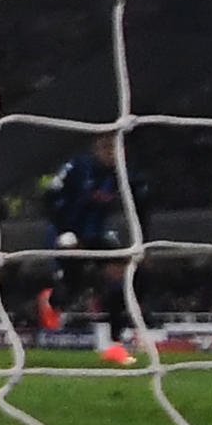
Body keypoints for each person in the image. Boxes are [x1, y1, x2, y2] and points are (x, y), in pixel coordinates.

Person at [39, 130, 135, 361]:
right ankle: (51, 299)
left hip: (96, 234)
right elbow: (49, 198)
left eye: (115, 148)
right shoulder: (76, 167)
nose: (112, 153)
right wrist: (65, 231)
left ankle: (116, 342)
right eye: (107, 148)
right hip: (67, 231)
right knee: (72, 284)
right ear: (96, 149)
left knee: (119, 275)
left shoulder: (120, 174)